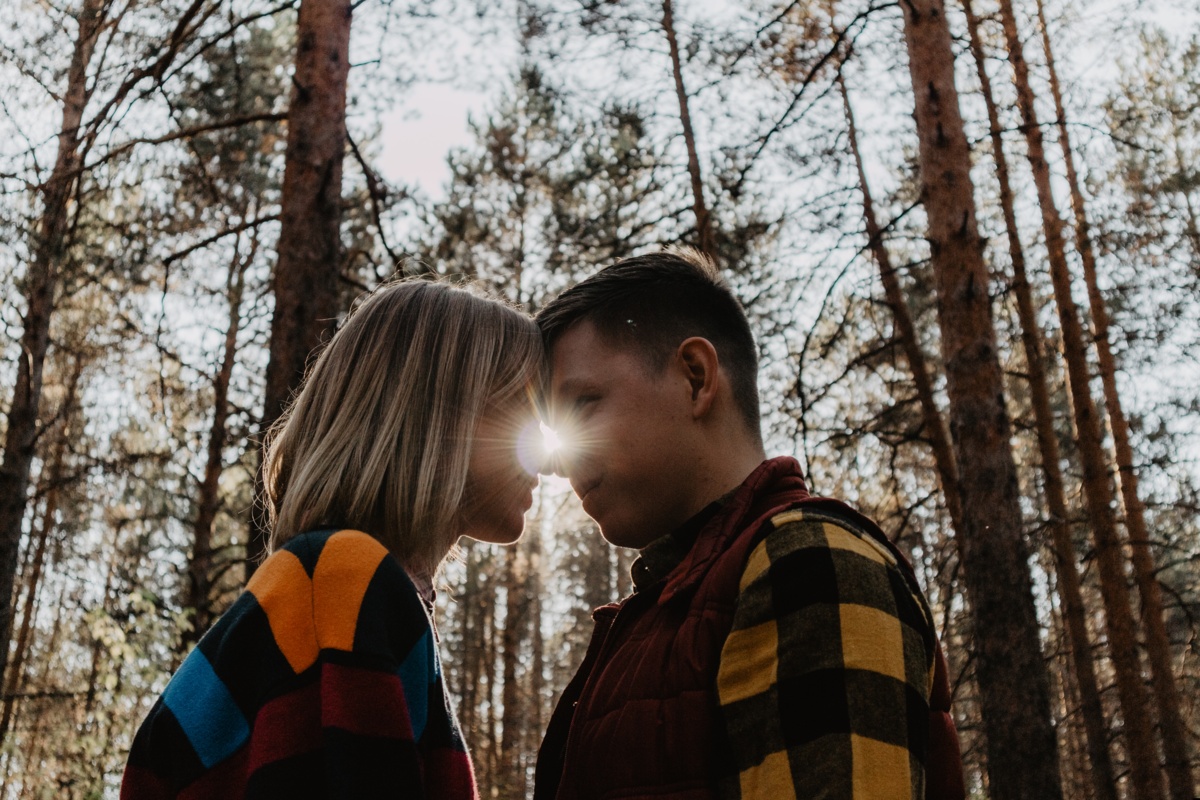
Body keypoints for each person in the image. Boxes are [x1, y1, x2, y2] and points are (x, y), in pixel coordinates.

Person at [533, 249, 965, 800]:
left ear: (695, 377)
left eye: (583, 403)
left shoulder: (814, 560)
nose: (559, 460)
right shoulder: (661, 610)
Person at [121, 279, 544, 800]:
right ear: (442, 416)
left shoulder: (344, 583)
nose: (545, 455)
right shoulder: (345, 578)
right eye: (525, 413)